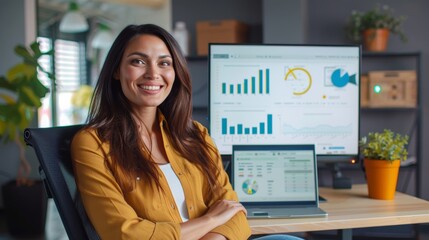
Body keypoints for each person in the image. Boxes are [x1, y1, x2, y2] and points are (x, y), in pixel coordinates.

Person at [71, 24, 303, 240]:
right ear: (117, 71)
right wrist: (212, 219)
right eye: (138, 62)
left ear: (175, 72)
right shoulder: (93, 144)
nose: (153, 73)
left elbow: (234, 212)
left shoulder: (196, 136)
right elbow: (124, 233)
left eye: (164, 63)